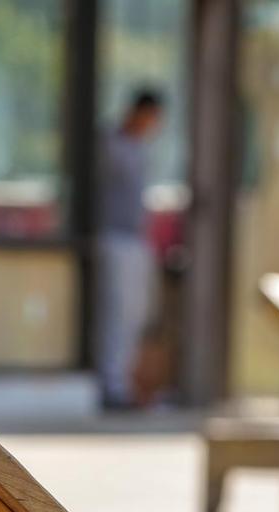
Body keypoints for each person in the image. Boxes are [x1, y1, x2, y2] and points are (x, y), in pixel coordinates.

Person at [96, 87, 164, 409]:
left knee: (135, 317)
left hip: (136, 239)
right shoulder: (111, 145)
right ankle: (112, 385)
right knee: (117, 315)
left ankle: (127, 383)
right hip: (114, 237)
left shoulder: (140, 148)